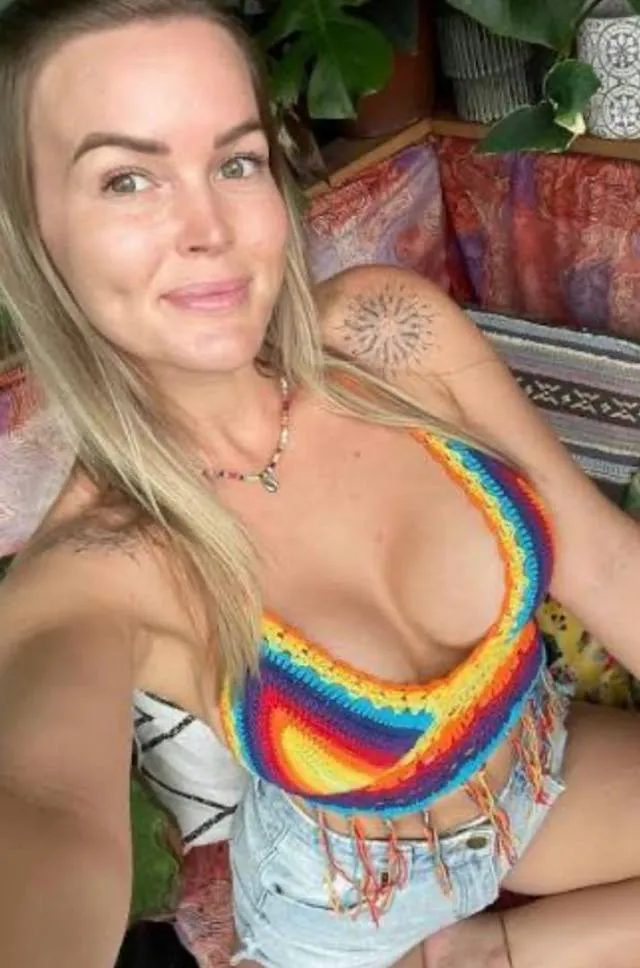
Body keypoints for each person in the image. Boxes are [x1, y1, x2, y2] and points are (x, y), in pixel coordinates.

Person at [0, 2, 639, 967]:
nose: (209, 229)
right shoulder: (95, 569)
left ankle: (490, 950)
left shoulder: (391, 339)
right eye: (127, 179)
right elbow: (39, 807)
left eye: (235, 161)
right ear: (36, 235)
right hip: (352, 900)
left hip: (542, 778)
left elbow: (604, 559)